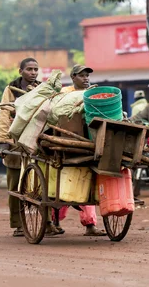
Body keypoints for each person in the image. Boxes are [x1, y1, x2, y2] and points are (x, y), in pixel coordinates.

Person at [49, 64, 106, 237]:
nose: (86, 78)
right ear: (73, 77)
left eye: (87, 75)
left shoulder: (94, 94)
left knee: (88, 183)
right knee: (66, 186)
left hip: (91, 141)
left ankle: (90, 225)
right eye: (82, 75)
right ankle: (53, 219)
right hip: (70, 141)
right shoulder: (66, 93)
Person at [0, 58, 41, 237]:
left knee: (43, 187)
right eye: (29, 69)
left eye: (36, 69)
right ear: (20, 71)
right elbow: (4, 114)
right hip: (15, 144)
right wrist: (2, 141)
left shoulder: (41, 88)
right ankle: (18, 224)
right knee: (15, 186)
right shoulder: (11, 89)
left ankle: (48, 222)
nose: (33, 73)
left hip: (37, 143)